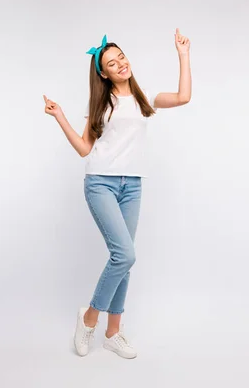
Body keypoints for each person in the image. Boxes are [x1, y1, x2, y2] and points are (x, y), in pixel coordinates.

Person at [42, 28, 191, 359]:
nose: (121, 63)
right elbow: (84, 148)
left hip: (132, 185)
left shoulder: (143, 98)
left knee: (123, 260)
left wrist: (182, 54)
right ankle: (90, 318)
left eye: (121, 56)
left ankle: (113, 333)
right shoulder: (102, 103)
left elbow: (183, 97)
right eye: (112, 62)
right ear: (104, 74)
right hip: (100, 183)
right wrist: (60, 116)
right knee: (124, 255)